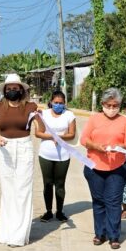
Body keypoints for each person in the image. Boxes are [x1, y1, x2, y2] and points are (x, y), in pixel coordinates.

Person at [81, 88, 126, 250]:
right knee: (98, 201)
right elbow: (84, 139)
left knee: (113, 202)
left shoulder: (124, 121)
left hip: (117, 168)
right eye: (108, 105)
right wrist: (95, 146)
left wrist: (121, 146)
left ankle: (114, 236)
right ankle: (100, 233)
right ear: (103, 104)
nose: (112, 108)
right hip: (94, 167)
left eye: (115, 105)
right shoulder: (94, 119)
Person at [0, 75, 38, 247]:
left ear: (22, 89)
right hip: (4, 148)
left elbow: (39, 129)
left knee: (23, 190)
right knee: (8, 191)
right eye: (9, 88)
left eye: (15, 88)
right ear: (5, 90)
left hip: (24, 147)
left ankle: (19, 236)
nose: (12, 91)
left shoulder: (31, 107)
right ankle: (7, 233)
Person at [35, 91, 76, 222]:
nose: (58, 105)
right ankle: (48, 211)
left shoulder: (69, 115)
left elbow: (72, 135)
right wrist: (54, 136)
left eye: (61, 103)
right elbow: (38, 133)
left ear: (65, 103)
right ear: (51, 102)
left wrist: (60, 138)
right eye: (56, 103)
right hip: (46, 154)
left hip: (63, 156)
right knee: (47, 184)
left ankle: (59, 211)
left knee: (60, 184)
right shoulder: (44, 114)